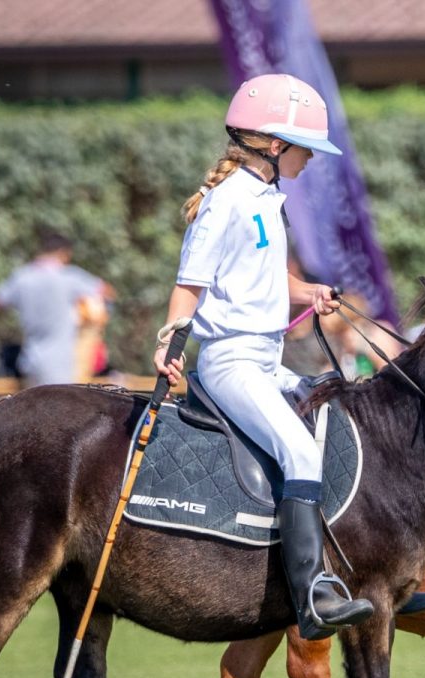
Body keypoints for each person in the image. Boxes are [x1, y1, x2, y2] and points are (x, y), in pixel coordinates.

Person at [153, 73, 372, 641]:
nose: (312, 160)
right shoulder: (224, 202)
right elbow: (190, 285)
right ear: (275, 145)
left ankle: (369, 576)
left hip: (265, 358)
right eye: (307, 149)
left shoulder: (265, 200)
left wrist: (309, 291)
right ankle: (311, 600)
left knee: (337, 423)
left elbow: (265, 277)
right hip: (230, 361)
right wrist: (167, 341)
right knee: (299, 450)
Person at [0, 232, 107, 387]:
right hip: (59, 363)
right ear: (62, 253)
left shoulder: (22, 277)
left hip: (30, 360)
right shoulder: (69, 277)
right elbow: (105, 291)